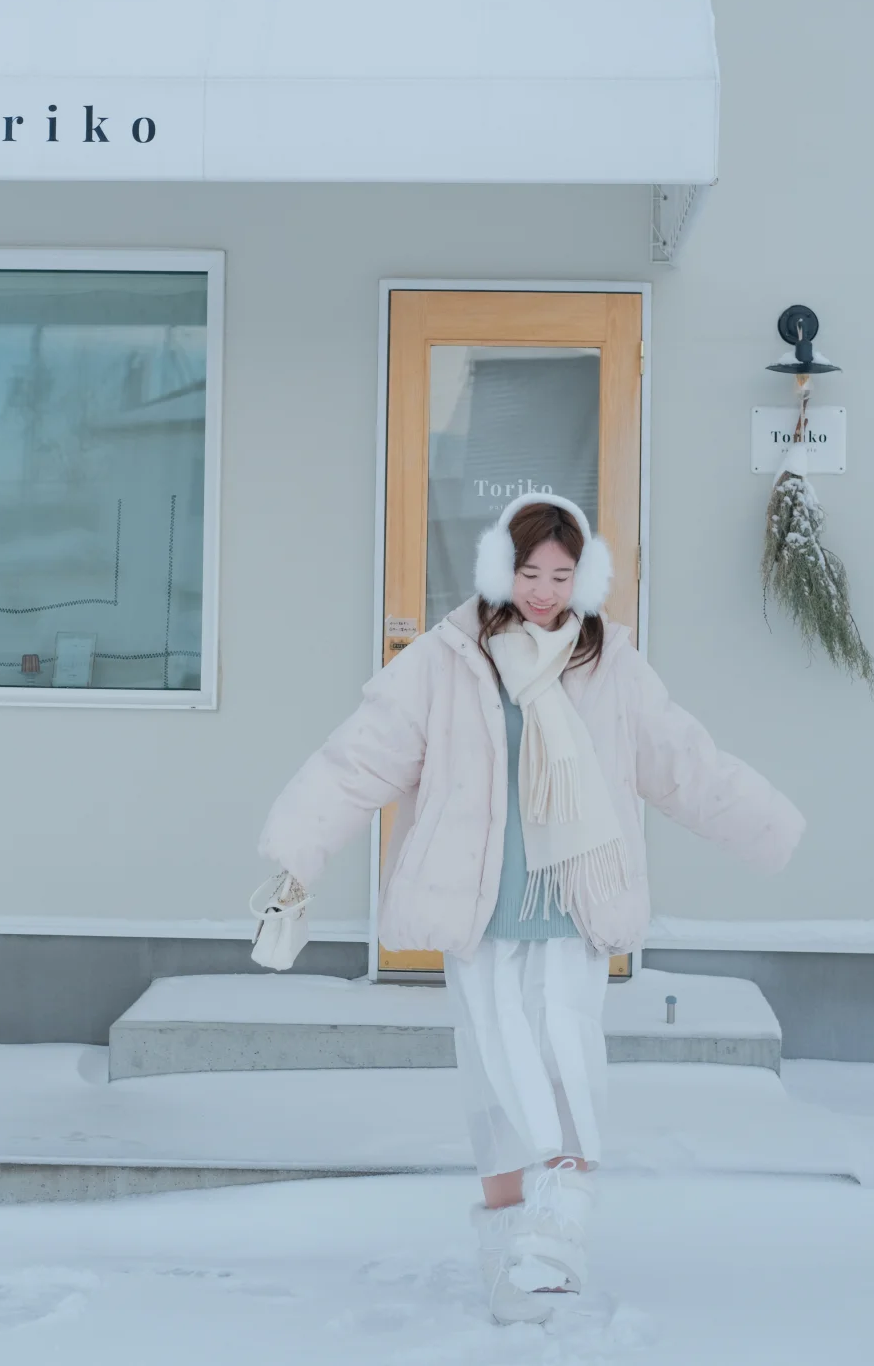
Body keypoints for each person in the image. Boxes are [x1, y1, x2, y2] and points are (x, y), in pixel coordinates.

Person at [257, 493, 805, 1325]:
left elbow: (684, 761)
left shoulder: (610, 664)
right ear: (499, 569)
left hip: (574, 895)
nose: (544, 591)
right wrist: (298, 850)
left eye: (561, 574)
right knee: (493, 1072)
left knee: (567, 1056)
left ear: (584, 578)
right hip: (478, 901)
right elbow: (357, 759)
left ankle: (560, 1228)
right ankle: (508, 1252)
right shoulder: (446, 660)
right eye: (529, 572)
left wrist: (768, 827)